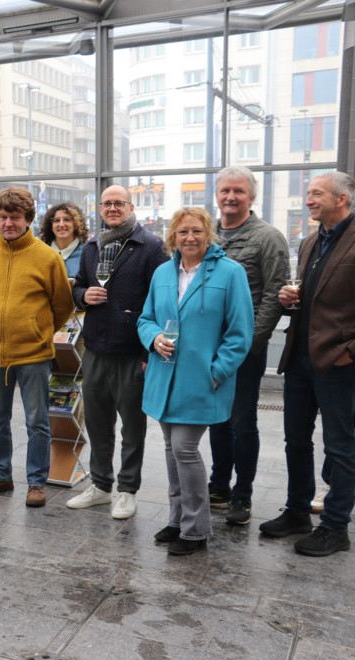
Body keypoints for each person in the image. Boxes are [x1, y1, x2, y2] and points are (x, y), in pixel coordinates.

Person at [137, 207, 253, 555]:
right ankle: (177, 520)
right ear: (173, 236)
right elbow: (145, 318)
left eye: (197, 232)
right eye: (183, 232)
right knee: (172, 452)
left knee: (185, 450)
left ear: (209, 235)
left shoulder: (231, 273)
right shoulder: (162, 272)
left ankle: (196, 530)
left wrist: (217, 372)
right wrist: (154, 337)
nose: (190, 238)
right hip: (164, 377)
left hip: (201, 380)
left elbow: (240, 334)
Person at [261, 171, 355, 557]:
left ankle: (335, 526)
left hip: (338, 362)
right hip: (299, 356)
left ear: (342, 199)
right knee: (295, 440)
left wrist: (350, 352)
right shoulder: (312, 240)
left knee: (341, 446)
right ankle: (298, 511)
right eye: (308, 194)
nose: (309, 200)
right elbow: (312, 297)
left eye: (316, 194)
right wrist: (288, 298)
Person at [68, 186, 167, 519]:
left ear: (130, 206)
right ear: (99, 208)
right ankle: (99, 485)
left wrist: (146, 352)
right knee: (97, 424)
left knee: (133, 428)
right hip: (95, 348)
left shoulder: (151, 246)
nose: (112, 208)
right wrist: (83, 296)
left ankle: (127, 490)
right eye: (106, 203)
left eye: (118, 203)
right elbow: (79, 284)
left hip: (132, 352)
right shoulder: (92, 246)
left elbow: (160, 300)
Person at [0, 187, 73, 504]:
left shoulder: (48, 258)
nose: (8, 223)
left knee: (37, 423)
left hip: (33, 357)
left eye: (15, 217)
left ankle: (37, 482)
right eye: (2, 217)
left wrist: (38, 332)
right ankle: (1, 476)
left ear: (28, 219)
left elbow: (62, 306)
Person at [205, 167, 288, 526]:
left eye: (239, 191)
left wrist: (251, 344)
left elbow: (275, 295)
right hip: (207, 348)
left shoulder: (268, 237)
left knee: (242, 422)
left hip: (244, 350)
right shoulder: (207, 234)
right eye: (225, 190)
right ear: (217, 194)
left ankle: (243, 493)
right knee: (216, 420)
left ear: (251, 197)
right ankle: (219, 485)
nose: (231, 197)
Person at [40, 202, 89, 278]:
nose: (61, 224)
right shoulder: (41, 254)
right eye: (56, 220)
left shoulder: (87, 253)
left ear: (76, 224)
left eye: (67, 220)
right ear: (51, 226)